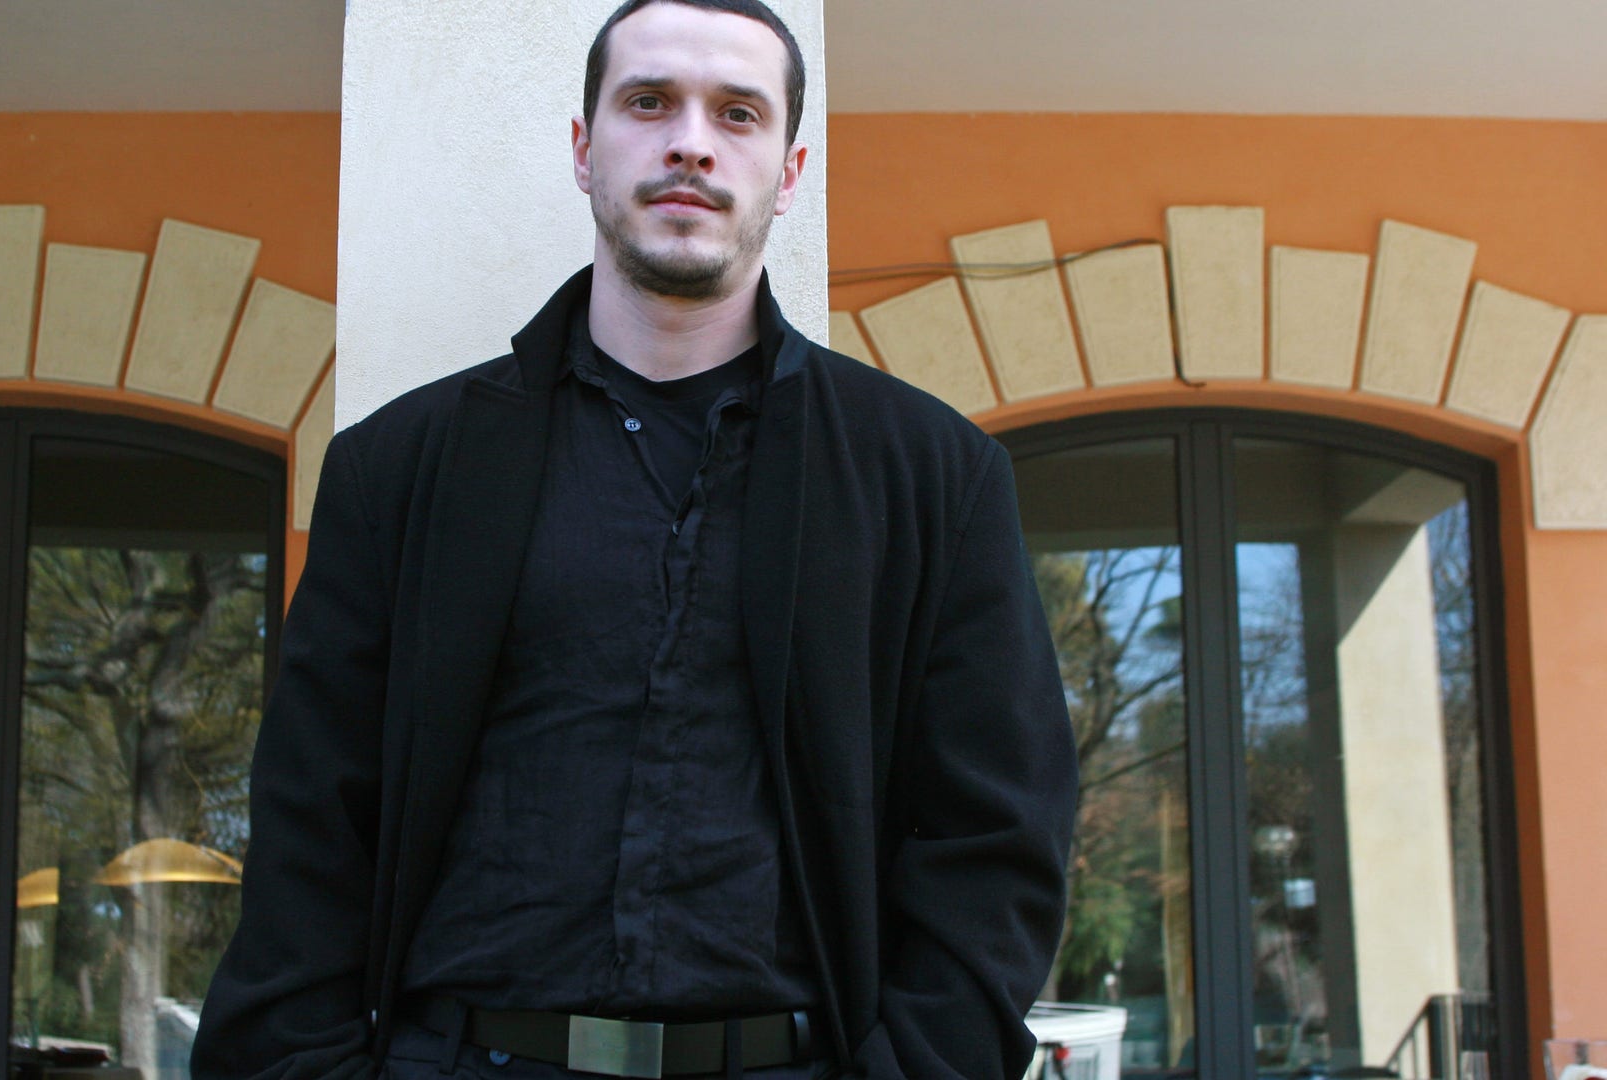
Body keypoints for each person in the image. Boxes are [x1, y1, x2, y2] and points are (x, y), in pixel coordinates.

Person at [191, 1, 1077, 1077]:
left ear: (789, 171)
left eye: (738, 113)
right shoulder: (401, 469)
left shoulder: (934, 478)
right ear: (584, 148)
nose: (691, 140)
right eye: (648, 101)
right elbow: (311, 822)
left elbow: (997, 840)